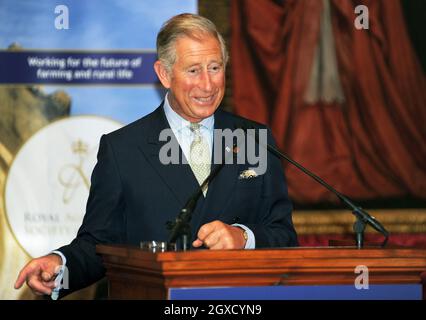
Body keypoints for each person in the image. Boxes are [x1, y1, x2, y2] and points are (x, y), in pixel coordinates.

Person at [14, 13, 298, 298]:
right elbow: (99, 244)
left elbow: (283, 235)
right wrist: (60, 265)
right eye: (193, 71)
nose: (208, 84)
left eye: (215, 67)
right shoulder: (123, 149)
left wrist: (244, 237)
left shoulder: (253, 140)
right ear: (164, 74)